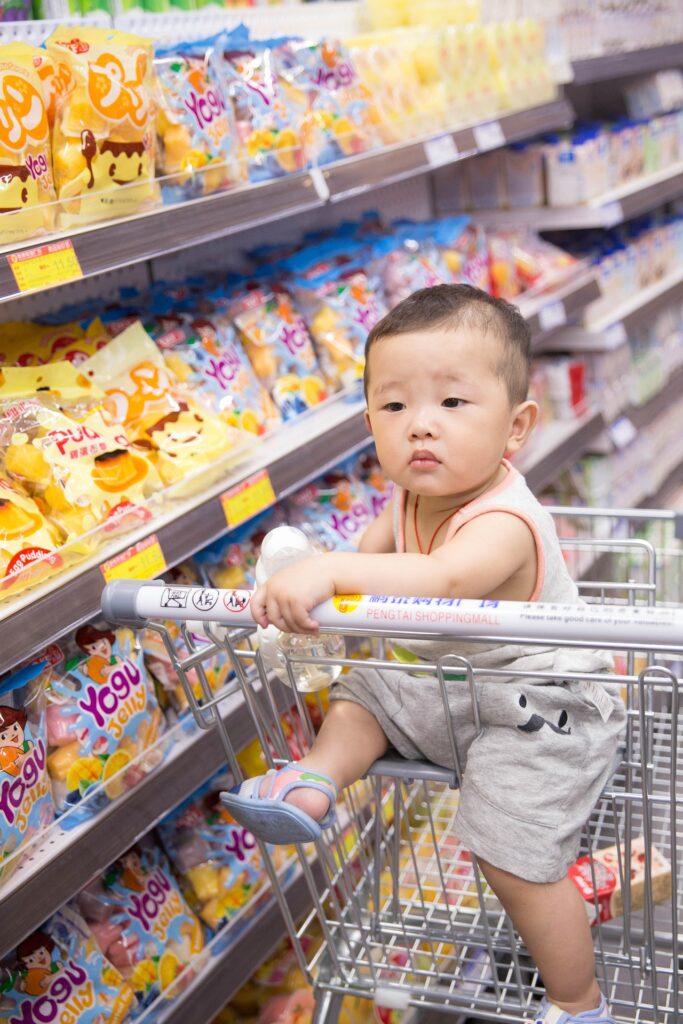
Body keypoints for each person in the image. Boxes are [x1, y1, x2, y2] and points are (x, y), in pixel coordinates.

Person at [223, 284, 625, 1024]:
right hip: (446, 689)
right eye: (394, 406)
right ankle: (315, 779)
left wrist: (331, 574)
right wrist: (305, 591)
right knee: (362, 691)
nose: (420, 428)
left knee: (513, 862)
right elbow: (363, 575)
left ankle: (577, 1002)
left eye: (452, 404)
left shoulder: (503, 518)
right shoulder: (406, 499)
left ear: (515, 427)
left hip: (541, 708)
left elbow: (443, 580)